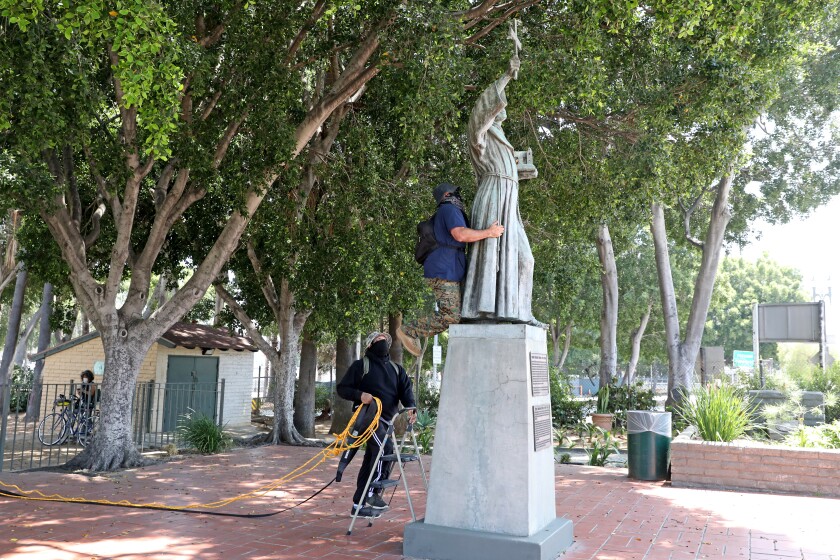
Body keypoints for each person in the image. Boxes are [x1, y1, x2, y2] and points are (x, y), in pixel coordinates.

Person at [460, 54, 543, 327]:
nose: (501, 108)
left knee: (525, 259)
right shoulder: (480, 135)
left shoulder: (502, 138)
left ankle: (522, 310)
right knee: (490, 255)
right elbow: (480, 114)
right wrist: (506, 76)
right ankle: (482, 310)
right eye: (497, 107)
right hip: (494, 197)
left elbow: (506, 165)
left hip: (509, 199)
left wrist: (522, 171)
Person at [397, 183, 505, 357]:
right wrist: (489, 232)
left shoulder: (447, 211)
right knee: (451, 317)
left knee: (459, 314)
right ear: (447, 194)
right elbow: (460, 235)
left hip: (446, 270)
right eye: (457, 192)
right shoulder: (449, 209)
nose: (460, 196)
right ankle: (410, 330)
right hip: (443, 271)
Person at [337, 331, 417, 519]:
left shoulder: (397, 370)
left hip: (386, 421)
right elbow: (343, 389)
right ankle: (373, 493)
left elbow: (406, 391)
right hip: (367, 419)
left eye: (385, 340)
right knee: (385, 448)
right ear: (369, 345)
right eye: (378, 340)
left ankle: (358, 504)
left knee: (371, 461)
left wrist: (412, 407)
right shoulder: (361, 366)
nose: (383, 342)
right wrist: (359, 395)